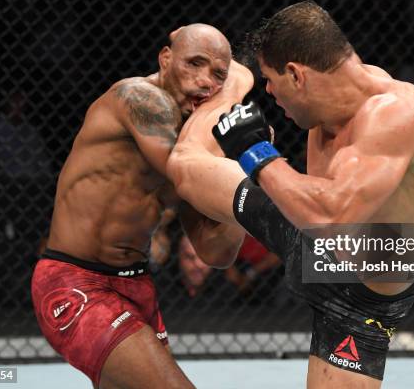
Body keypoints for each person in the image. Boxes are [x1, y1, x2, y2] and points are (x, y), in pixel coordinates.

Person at [168, 1, 414, 388]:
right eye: (260, 80)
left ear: (296, 75)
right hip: (309, 235)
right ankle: (231, 85)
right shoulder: (330, 98)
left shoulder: (395, 115)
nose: (268, 91)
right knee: (185, 166)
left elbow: (333, 217)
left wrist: (255, 153)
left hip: (361, 295)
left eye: (270, 79)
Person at [31, 24, 253, 389]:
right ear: (165, 58)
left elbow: (217, 251)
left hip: (137, 287)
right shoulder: (137, 98)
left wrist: (249, 165)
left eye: (217, 75)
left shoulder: (191, 146)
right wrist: (236, 87)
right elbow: (188, 172)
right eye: (194, 64)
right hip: (77, 283)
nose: (204, 81)